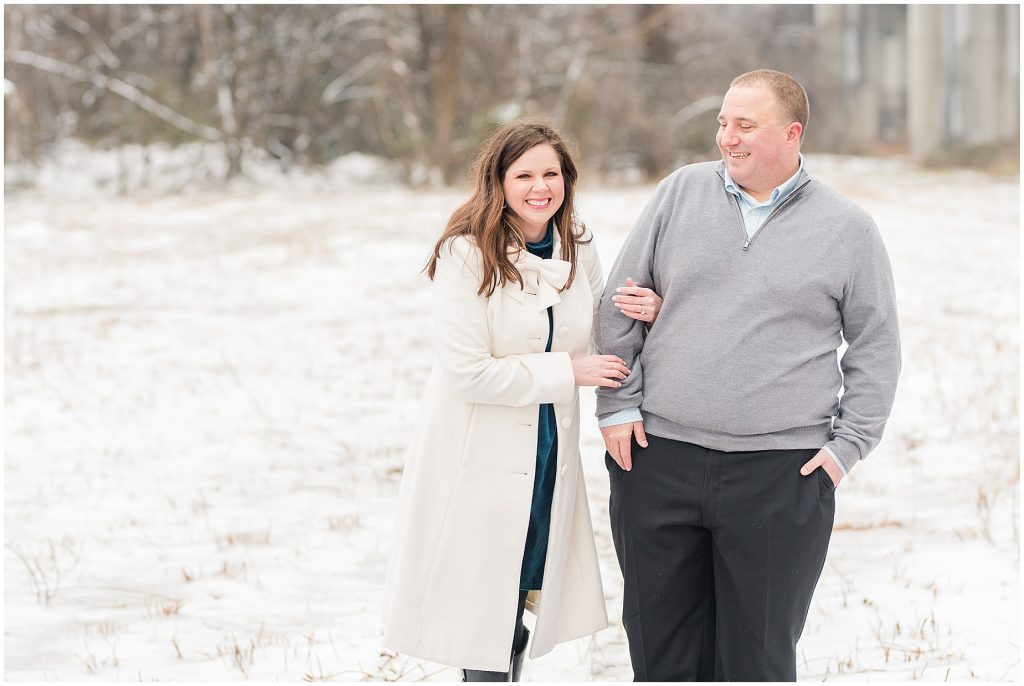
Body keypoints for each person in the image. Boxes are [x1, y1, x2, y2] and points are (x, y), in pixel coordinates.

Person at [595, 69, 901, 681]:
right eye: (722, 123)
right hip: (659, 459)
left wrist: (846, 448)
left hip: (780, 474)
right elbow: (621, 300)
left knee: (756, 662)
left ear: (791, 134)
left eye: (745, 125)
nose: (726, 139)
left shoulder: (848, 230)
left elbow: (876, 347)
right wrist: (618, 407)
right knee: (660, 658)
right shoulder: (681, 192)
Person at [382, 119, 641, 681]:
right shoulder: (466, 254)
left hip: (548, 452)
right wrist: (567, 372)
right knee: (484, 608)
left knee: (525, 591)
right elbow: (469, 373)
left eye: (551, 173)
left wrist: (647, 310)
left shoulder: (579, 244)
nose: (539, 187)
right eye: (523, 174)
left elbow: (600, 332)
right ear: (497, 182)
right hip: (478, 455)